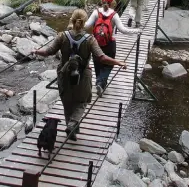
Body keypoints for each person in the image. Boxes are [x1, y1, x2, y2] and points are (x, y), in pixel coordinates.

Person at [34, 9, 127, 141]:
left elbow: (48, 51)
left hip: (64, 75)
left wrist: (36, 51)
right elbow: (102, 57)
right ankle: (72, 125)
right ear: (85, 23)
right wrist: (118, 62)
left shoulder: (62, 36)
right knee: (83, 101)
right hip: (83, 76)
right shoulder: (90, 39)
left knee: (67, 103)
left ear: (71, 20)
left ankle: (71, 129)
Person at [84, 0, 141, 97]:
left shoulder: (96, 12)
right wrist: (137, 31)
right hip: (109, 44)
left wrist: (74, 24)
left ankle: (100, 82)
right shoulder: (114, 15)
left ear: (102, 1)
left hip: (95, 43)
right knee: (109, 64)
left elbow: (86, 26)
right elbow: (123, 30)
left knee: (97, 63)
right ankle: (100, 83)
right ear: (112, 2)